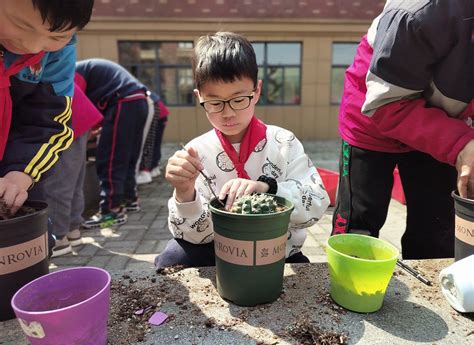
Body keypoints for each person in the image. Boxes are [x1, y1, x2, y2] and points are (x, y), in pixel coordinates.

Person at [155, 32, 330, 268]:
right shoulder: (196, 152)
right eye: (215, 102)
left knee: (303, 274)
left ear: (257, 91)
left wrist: (268, 188)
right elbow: (194, 235)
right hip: (219, 249)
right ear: (199, 97)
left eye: (239, 99)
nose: (228, 113)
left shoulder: (283, 142)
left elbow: (317, 203)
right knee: (171, 259)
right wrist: (185, 193)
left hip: (276, 248)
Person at [332, 0, 474, 259]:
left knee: (438, 231)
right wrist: (462, 144)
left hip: (442, 121)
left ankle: (433, 291)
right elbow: (386, 105)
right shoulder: (416, 12)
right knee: (357, 228)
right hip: (375, 111)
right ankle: (348, 290)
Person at [0, 0, 93, 253]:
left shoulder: (59, 53)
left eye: (57, 35)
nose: (31, 46)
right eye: (21, 25)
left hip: (20, 162)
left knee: (32, 243)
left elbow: (49, 121)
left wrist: (20, 175)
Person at [75, 59, 155, 228]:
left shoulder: (73, 72)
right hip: (139, 101)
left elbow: (77, 103)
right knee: (127, 156)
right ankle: (129, 199)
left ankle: (111, 212)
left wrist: (85, 132)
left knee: (110, 158)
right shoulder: (87, 68)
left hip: (122, 101)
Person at [47, 80, 103, 257]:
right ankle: (73, 231)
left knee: (58, 183)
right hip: (76, 115)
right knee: (74, 180)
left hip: (63, 118)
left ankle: (58, 239)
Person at [137, 96, 170, 184]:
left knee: (150, 143)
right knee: (155, 143)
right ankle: (154, 167)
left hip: (156, 112)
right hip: (162, 113)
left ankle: (147, 170)